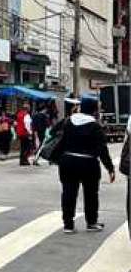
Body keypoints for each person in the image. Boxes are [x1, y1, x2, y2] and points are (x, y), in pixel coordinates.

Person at [56, 97, 115, 234]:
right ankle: (91, 223)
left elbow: (59, 139)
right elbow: (102, 150)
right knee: (91, 194)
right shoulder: (95, 126)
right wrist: (110, 168)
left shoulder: (68, 121)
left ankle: (68, 225)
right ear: (93, 109)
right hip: (88, 164)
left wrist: (58, 158)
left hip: (68, 162)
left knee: (68, 193)